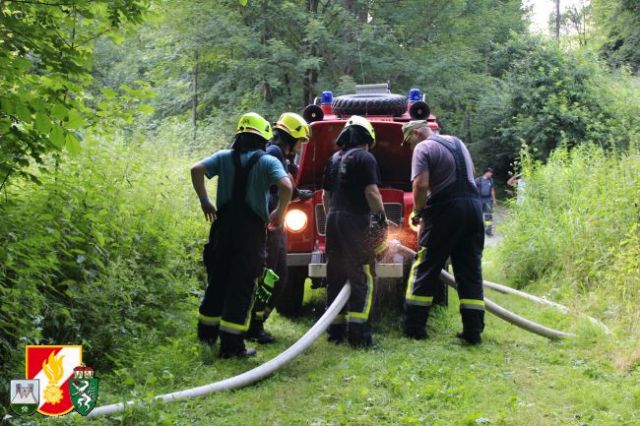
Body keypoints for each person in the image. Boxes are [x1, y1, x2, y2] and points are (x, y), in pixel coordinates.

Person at [191, 112, 292, 358]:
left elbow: (196, 169)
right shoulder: (268, 161)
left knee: (217, 281)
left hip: (222, 229)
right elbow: (286, 186)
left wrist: (205, 201)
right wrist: (280, 212)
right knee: (241, 286)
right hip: (250, 233)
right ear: (264, 139)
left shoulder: (223, 157)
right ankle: (232, 346)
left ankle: (206, 335)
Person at [401, 120, 485, 344]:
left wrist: (418, 211)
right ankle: (473, 331)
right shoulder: (458, 142)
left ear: (416, 133)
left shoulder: (423, 147)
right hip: (474, 209)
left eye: (408, 142)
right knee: (469, 269)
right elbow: (471, 173)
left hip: (445, 209)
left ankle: (414, 328)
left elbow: (421, 184)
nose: (410, 147)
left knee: (426, 265)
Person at [322, 115, 387, 348]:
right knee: (362, 275)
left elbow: (325, 195)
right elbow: (371, 192)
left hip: (333, 220)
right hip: (354, 222)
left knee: (335, 275)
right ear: (367, 139)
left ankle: (335, 331)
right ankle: (360, 336)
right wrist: (381, 219)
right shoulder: (365, 157)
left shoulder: (333, 159)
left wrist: (333, 218)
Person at [247, 112, 312, 344]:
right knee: (269, 275)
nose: (301, 145)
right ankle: (254, 326)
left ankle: (258, 322)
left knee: (279, 276)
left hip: (276, 224)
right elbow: (279, 188)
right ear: (291, 137)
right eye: (300, 140)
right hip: (270, 225)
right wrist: (295, 193)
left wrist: (297, 192)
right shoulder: (273, 152)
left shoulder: (280, 155)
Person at [475, 168, 496, 236]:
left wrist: (494, 200)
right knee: (478, 216)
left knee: (488, 216)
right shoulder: (478, 180)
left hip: (488, 200)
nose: (491, 174)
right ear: (486, 173)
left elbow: (492, 190)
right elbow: (473, 189)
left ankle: (488, 231)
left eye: (491, 173)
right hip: (479, 200)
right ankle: (478, 231)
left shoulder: (491, 180)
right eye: (490, 173)